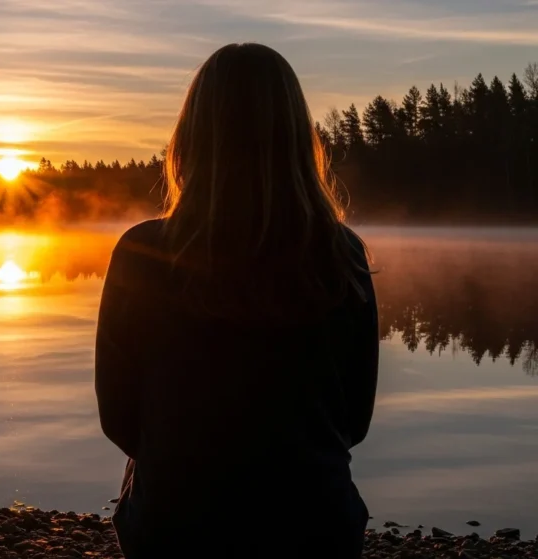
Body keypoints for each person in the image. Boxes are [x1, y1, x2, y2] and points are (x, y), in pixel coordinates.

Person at [95, 43, 378, 558]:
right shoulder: (342, 254)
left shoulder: (141, 252)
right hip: (314, 526)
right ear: (297, 138)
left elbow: (118, 418)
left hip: (176, 527)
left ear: (190, 139)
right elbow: (353, 421)